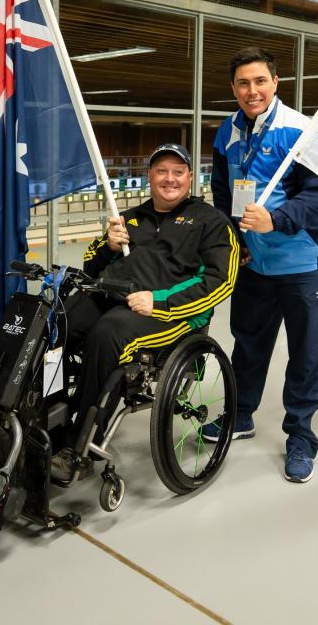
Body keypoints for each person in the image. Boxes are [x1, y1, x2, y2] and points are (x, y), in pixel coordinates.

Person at [53, 143, 238, 480]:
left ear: (191, 177)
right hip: (112, 295)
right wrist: (107, 245)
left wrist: (160, 301)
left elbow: (220, 281)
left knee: (108, 334)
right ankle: (43, 417)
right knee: (56, 324)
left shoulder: (210, 221)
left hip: (170, 314)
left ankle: (76, 445)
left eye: (178, 172)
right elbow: (90, 265)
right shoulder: (131, 217)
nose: (170, 179)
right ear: (149, 176)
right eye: (162, 171)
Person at [206, 46, 318, 483]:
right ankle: (241, 415)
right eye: (243, 83)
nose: (252, 90)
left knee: (306, 353)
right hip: (253, 265)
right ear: (233, 88)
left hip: (301, 265)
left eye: (260, 81)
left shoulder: (300, 131)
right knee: (248, 344)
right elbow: (223, 194)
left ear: (275, 84)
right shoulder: (226, 132)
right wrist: (233, 237)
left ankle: (300, 436)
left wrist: (276, 220)